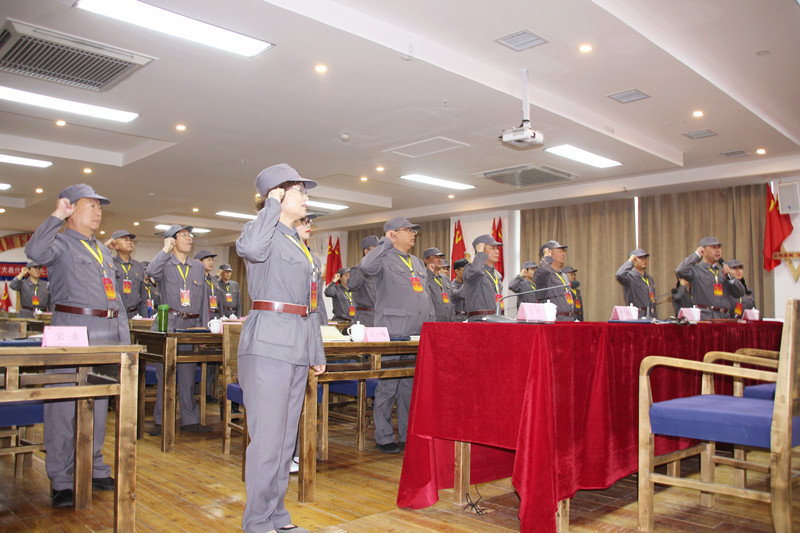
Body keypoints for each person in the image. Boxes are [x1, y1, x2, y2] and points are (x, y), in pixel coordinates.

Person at [25, 183, 129, 508]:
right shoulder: (58, 242)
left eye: (100, 206)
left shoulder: (103, 251)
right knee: (62, 406)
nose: (98, 212)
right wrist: (56, 216)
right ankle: (61, 477)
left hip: (105, 329)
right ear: (70, 208)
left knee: (97, 403)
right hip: (69, 328)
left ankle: (93, 466)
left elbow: (115, 298)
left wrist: (123, 342)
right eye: (91, 205)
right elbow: (34, 253)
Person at [235, 163, 325, 533]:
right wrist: (270, 206)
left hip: (298, 343)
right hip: (268, 343)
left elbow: (311, 303)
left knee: (286, 441)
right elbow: (250, 250)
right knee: (268, 440)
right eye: (300, 190)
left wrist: (316, 351)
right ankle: (257, 520)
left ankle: (277, 516)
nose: (306, 197)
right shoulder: (260, 230)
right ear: (277, 193)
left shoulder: (298, 244)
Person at [359, 215, 433, 453]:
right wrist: (384, 242)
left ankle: (406, 434)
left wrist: (430, 326)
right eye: (408, 230)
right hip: (392, 331)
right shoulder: (383, 258)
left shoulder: (416, 262)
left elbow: (426, 295)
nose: (413, 234)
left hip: (416, 331)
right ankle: (384, 436)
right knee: (388, 386)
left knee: (409, 387)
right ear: (393, 234)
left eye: (414, 231)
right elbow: (366, 267)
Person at [146, 225, 211, 436]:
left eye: (189, 235)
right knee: (166, 376)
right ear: (172, 241)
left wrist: (204, 329)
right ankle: (161, 420)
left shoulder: (197, 267)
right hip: (168, 324)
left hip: (191, 327)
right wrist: (165, 250)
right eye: (183, 235)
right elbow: (151, 272)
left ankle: (190, 420)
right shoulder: (164, 264)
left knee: (188, 376)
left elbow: (204, 300)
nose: (188, 238)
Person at [675, 236, 744, 319]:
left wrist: (731, 278)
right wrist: (696, 255)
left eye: (719, 247)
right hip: (705, 317)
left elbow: (740, 293)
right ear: (703, 250)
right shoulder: (696, 270)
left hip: (724, 317)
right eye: (713, 247)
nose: (718, 250)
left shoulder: (723, 271)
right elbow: (680, 270)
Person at [462, 234, 504, 320]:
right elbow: (475, 271)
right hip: (479, 320)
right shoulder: (470, 268)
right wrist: (480, 253)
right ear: (481, 249)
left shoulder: (496, 274)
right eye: (492, 248)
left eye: (497, 248)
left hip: (496, 318)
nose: (497, 251)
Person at [107, 230, 146, 318]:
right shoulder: (110, 264)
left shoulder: (138, 266)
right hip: (116, 314)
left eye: (131, 240)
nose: (130, 242)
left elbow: (143, 297)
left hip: (135, 315)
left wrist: (144, 318)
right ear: (115, 245)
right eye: (125, 240)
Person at [534, 240, 574, 321]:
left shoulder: (563, 275)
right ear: (549, 252)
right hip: (554, 319)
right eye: (560, 251)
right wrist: (546, 257)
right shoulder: (545, 274)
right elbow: (543, 272)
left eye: (563, 251)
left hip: (569, 318)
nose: (563, 254)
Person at [615, 249, 657, 319]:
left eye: (645, 258)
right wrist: (630, 261)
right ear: (634, 260)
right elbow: (619, 274)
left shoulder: (649, 279)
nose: (644, 260)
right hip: (636, 316)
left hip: (651, 315)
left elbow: (653, 301)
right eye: (640, 258)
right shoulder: (629, 277)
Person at [347, 236, 378, 327]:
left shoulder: (378, 270)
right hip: (365, 318)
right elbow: (352, 285)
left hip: (380, 317)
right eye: (375, 250)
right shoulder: (358, 269)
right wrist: (364, 267)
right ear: (366, 252)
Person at [423, 247, 455, 322]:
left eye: (440, 257)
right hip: (432, 321)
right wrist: (429, 272)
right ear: (426, 260)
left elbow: (452, 299)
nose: (440, 260)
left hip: (448, 321)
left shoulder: (445, 279)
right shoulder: (423, 276)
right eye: (436, 257)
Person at [195, 250, 223, 321]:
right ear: (199, 262)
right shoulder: (196, 280)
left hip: (215, 317)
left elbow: (219, 302)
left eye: (212, 260)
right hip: (201, 317)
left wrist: (221, 317)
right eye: (208, 260)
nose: (211, 262)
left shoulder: (214, 280)